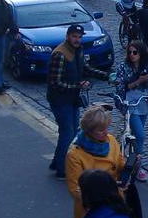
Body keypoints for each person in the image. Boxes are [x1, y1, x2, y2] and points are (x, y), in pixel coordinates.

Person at [47, 23, 113, 179]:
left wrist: (106, 76)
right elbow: (55, 83)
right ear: (68, 36)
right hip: (60, 100)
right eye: (74, 36)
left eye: (79, 37)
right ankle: (62, 169)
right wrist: (78, 85)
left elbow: (85, 68)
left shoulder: (78, 50)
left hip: (72, 99)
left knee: (72, 131)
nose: (77, 39)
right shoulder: (60, 54)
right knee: (67, 133)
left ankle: (58, 162)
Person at [65, 106, 125, 218]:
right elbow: (75, 190)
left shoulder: (111, 140)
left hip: (116, 204)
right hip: (92, 211)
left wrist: (131, 168)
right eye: (101, 130)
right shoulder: (75, 155)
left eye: (107, 128)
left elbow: (119, 165)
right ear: (89, 131)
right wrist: (102, 199)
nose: (106, 133)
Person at [113, 41, 148, 182]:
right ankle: (138, 166)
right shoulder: (123, 67)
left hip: (143, 102)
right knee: (140, 135)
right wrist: (139, 81)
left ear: (141, 53)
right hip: (130, 104)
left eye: (135, 52)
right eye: (130, 52)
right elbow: (121, 86)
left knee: (134, 134)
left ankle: (124, 157)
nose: (132, 55)